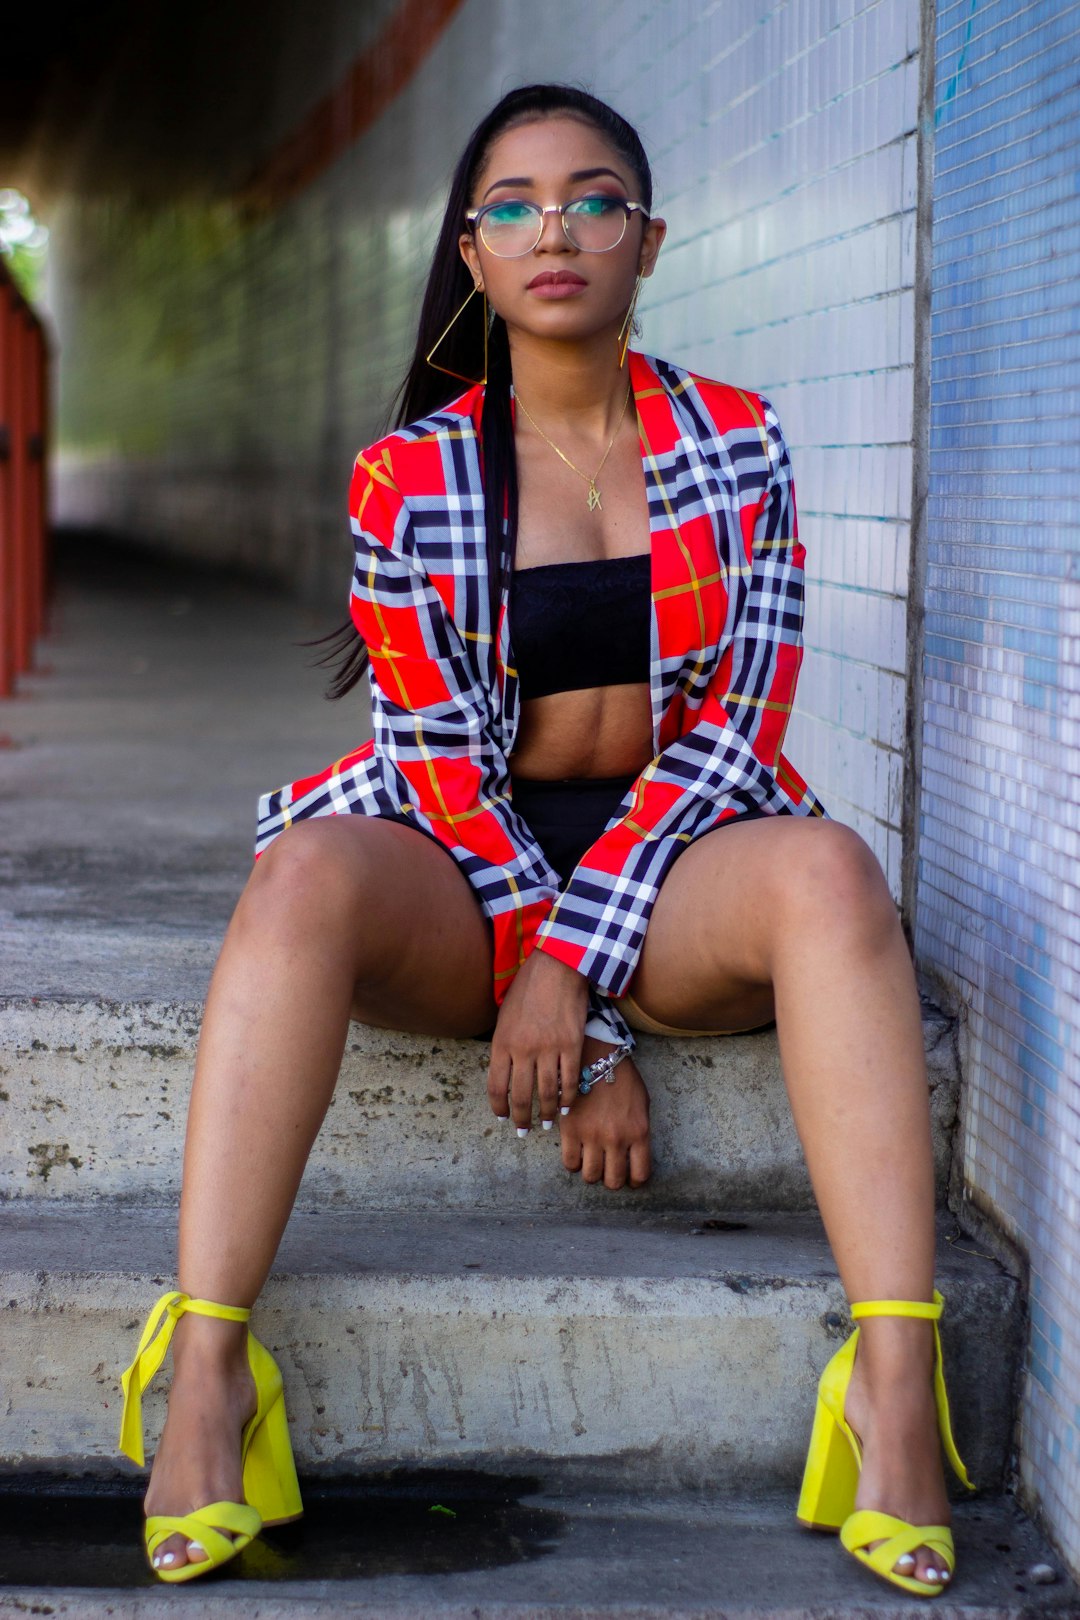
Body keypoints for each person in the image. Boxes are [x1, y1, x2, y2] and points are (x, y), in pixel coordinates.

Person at [116, 83, 973, 1595]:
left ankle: (895, 1393)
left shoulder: (742, 444)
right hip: (466, 870)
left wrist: (576, 975)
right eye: (513, 204)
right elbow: (439, 766)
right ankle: (207, 1376)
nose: (554, 228)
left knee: (835, 871)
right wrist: (556, 997)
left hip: (681, 866)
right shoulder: (414, 477)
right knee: (303, 872)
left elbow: (738, 734)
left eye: (593, 200)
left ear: (649, 241)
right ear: (473, 250)